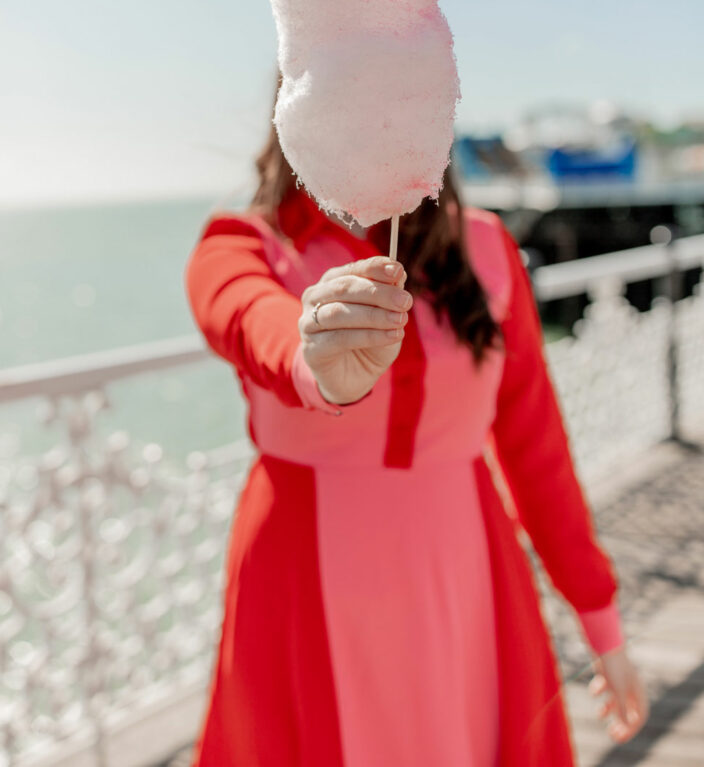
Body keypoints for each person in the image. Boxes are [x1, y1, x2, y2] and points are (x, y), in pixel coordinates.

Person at [183, 108, 647, 766]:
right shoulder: (240, 242)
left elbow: (537, 450)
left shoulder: (486, 246)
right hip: (301, 578)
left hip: (468, 569)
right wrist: (313, 356)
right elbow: (247, 313)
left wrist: (601, 620)